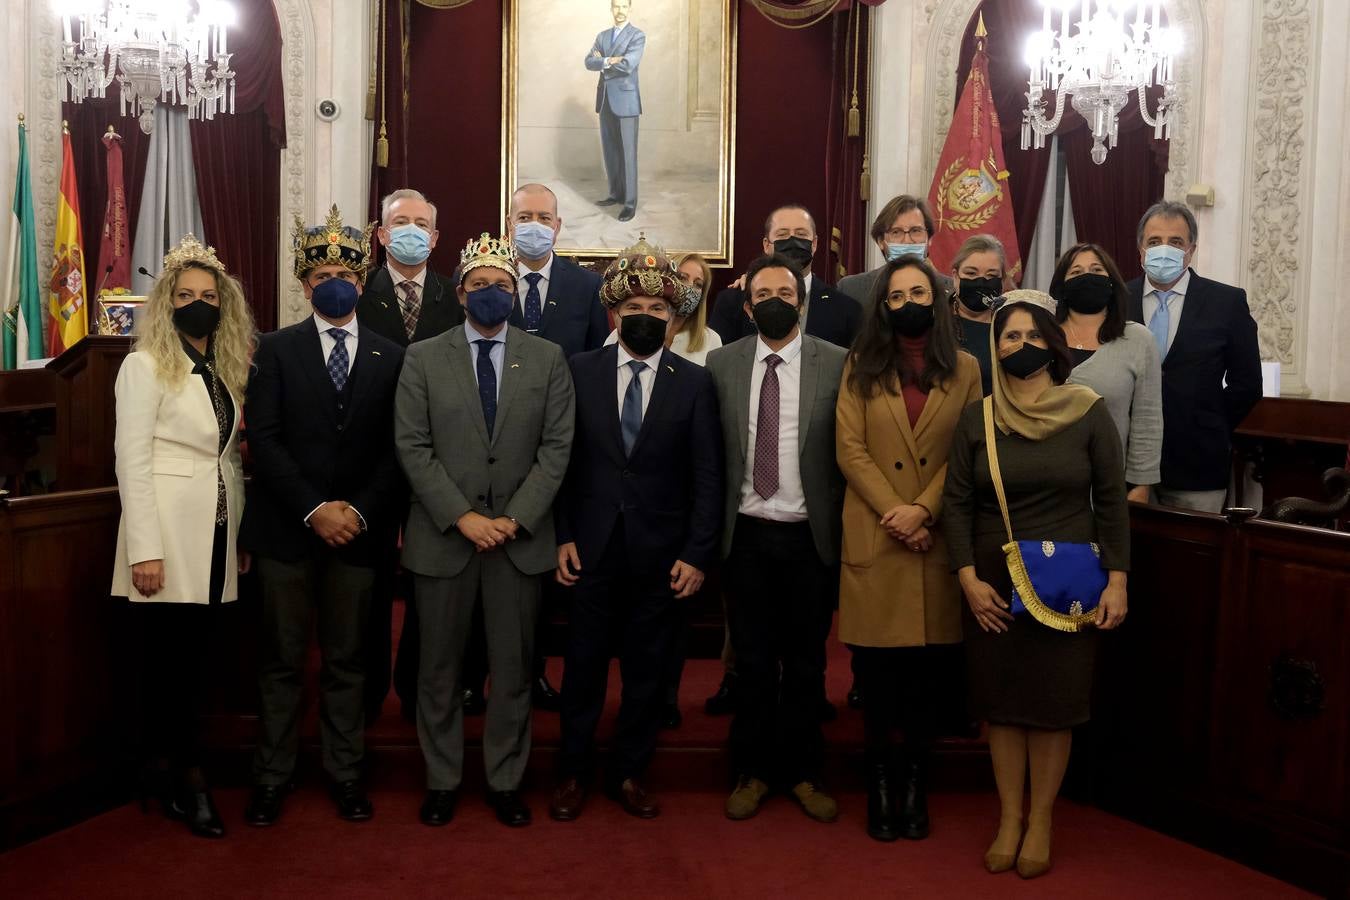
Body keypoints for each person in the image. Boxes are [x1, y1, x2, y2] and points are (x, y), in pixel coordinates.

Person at [943, 290, 1129, 879]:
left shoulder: (1088, 410)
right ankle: (1008, 817)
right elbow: (957, 503)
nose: (1021, 345)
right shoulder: (978, 417)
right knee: (1003, 705)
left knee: (1053, 703)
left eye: (1031, 336)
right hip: (994, 579)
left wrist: (1118, 582)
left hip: (1070, 582)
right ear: (995, 349)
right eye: (1009, 337)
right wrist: (967, 578)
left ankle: (1042, 818)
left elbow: (1113, 504)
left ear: (1054, 344)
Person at [394, 232, 575, 828]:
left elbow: (556, 449)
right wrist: (463, 516)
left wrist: (514, 518)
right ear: (460, 292)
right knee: (439, 670)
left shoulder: (547, 358)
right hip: (445, 537)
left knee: (515, 669)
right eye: (479, 286)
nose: (491, 293)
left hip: (518, 544)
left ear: (515, 291)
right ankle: (442, 779)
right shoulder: (423, 356)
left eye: (502, 285)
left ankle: (504, 780)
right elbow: (413, 447)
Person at [242, 206, 405, 826]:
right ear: (304, 284)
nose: (334, 281)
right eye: (322, 273)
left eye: (345, 271)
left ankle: (344, 772)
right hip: (289, 530)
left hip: (359, 534)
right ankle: (272, 776)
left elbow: (400, 447)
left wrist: (356, 511)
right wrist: (315, 509)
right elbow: (266, 437)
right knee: (281, 661)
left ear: (361, 283)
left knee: (347, 661)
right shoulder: (275, 350)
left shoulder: (393, 356)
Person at [550, 236, 723, 822]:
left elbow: (708, 475)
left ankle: (628, 772)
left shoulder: (695, 383)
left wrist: (698, 553)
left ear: (674, 322)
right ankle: (573, 773)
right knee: (582, 670)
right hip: (591, 550)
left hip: (663, 555)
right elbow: (562, 463)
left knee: (648, 673)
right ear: (614, 315)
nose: (645, 318)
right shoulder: (578, 371)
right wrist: (564, 535)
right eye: (634, 310)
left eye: (657, 311)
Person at [111, 234, 256, 839]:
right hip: (165, 542)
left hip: (216, 539)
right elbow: (131, 459)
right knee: (168, 666)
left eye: (208, 295)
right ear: (166, 303)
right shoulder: (143, 365)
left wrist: (240, 537)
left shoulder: (223, 369)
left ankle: (168, 767)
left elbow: (227, 459)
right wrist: (144, 548)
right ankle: (182, 776)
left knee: (195, 664)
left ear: (224, 304)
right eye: (185, 294)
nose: (198, 304)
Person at [836, 255, 983, 842]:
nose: (906, 305)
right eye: (895, 298)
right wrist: (897, 514)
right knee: (877, 680)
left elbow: (967, 452)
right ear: (882, 307)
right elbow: (849, 449)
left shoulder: (968, 367)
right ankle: (878, 783)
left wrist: (924, 508)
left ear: (939, 297)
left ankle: (915, 783)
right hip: (878, 532)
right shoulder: (860, 363)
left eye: (917, 292)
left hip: (936, 536)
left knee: (925, 681)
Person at [706, 253, 847, 824]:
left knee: (809, 663)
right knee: (754, 663)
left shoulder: (837, 363)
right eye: (762, 294)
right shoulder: (721, 364)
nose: (773, 302)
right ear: (746, 306)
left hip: (808, 537)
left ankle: (807, 772)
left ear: (801, 302)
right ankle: (753, 770)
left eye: (784, 295)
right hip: (745, 537)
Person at [356, 187, 466, 724]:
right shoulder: (354, 295)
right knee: (372, 582)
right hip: (371, 464)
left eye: (422, 223)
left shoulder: (456, 298)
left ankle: (422, 686)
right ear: (380, 233)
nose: (412, 231)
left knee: (431, 585)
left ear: (437, 237)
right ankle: (370, 688)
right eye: (401, 222)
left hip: (437, 466)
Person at [507, 181, 611, 710]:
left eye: (543, 216)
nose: (534, 224)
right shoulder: (492, 280)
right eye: (524, 215)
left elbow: (596, 362)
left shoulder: (586, 287)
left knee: (544, 571)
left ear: (558, 225)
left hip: (563, 445)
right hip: (499, 443)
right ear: (509, 224)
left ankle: (538, 670)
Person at [1125, 201, 1262, 513]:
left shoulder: (1226, 302)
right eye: (1154, 241)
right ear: (1140, 250)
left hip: (1198, 465)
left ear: (1191, 249)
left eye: (1175, 242)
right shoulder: (1119, 298)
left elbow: (1248, 384)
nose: (1164, 249)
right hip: (1125, 463)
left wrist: (1210, 422)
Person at [1048, 242, 1162, 501]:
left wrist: (1141, 486)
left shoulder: (1138, 339)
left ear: (1111, 282)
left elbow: (1148, 420)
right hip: (1043, 483)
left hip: (1108, 487)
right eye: (1076, 272)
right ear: (1062, 285)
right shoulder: (1042, 334)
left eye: (1097, 270)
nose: (1087, 276)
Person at [707, 204, 862, 349]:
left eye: (801, 234)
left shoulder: (845, 309)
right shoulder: (732, 302)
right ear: (767, 245)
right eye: (783, 234)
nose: (792, 241)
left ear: (814, 244)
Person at [585, 0, 644, 221]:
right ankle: (615, 194)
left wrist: (603, 62)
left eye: (624, 7)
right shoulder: (602, 36)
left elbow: (629, 64)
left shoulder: (637, 36)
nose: (620, 11)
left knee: (628, 153)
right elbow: (588, 62)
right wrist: (610, 60)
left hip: (627, 101)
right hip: (605, 100)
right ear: (611, 9)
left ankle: (629, 203)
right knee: (610, 150)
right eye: (616, 6)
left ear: (630, 9)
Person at [838, 194, 953, 305]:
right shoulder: (851, 289)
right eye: (896, 232)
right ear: (881, 241)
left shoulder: (953, 290)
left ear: (930, 238)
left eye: (915, 231)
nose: (907, 240)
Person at [948, 234, 1010, 396]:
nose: (981, 282)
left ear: (1002, 281)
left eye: (991, 276)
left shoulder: (1011, 325)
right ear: (955, 276)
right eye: (971, 274)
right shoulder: (936, 320)